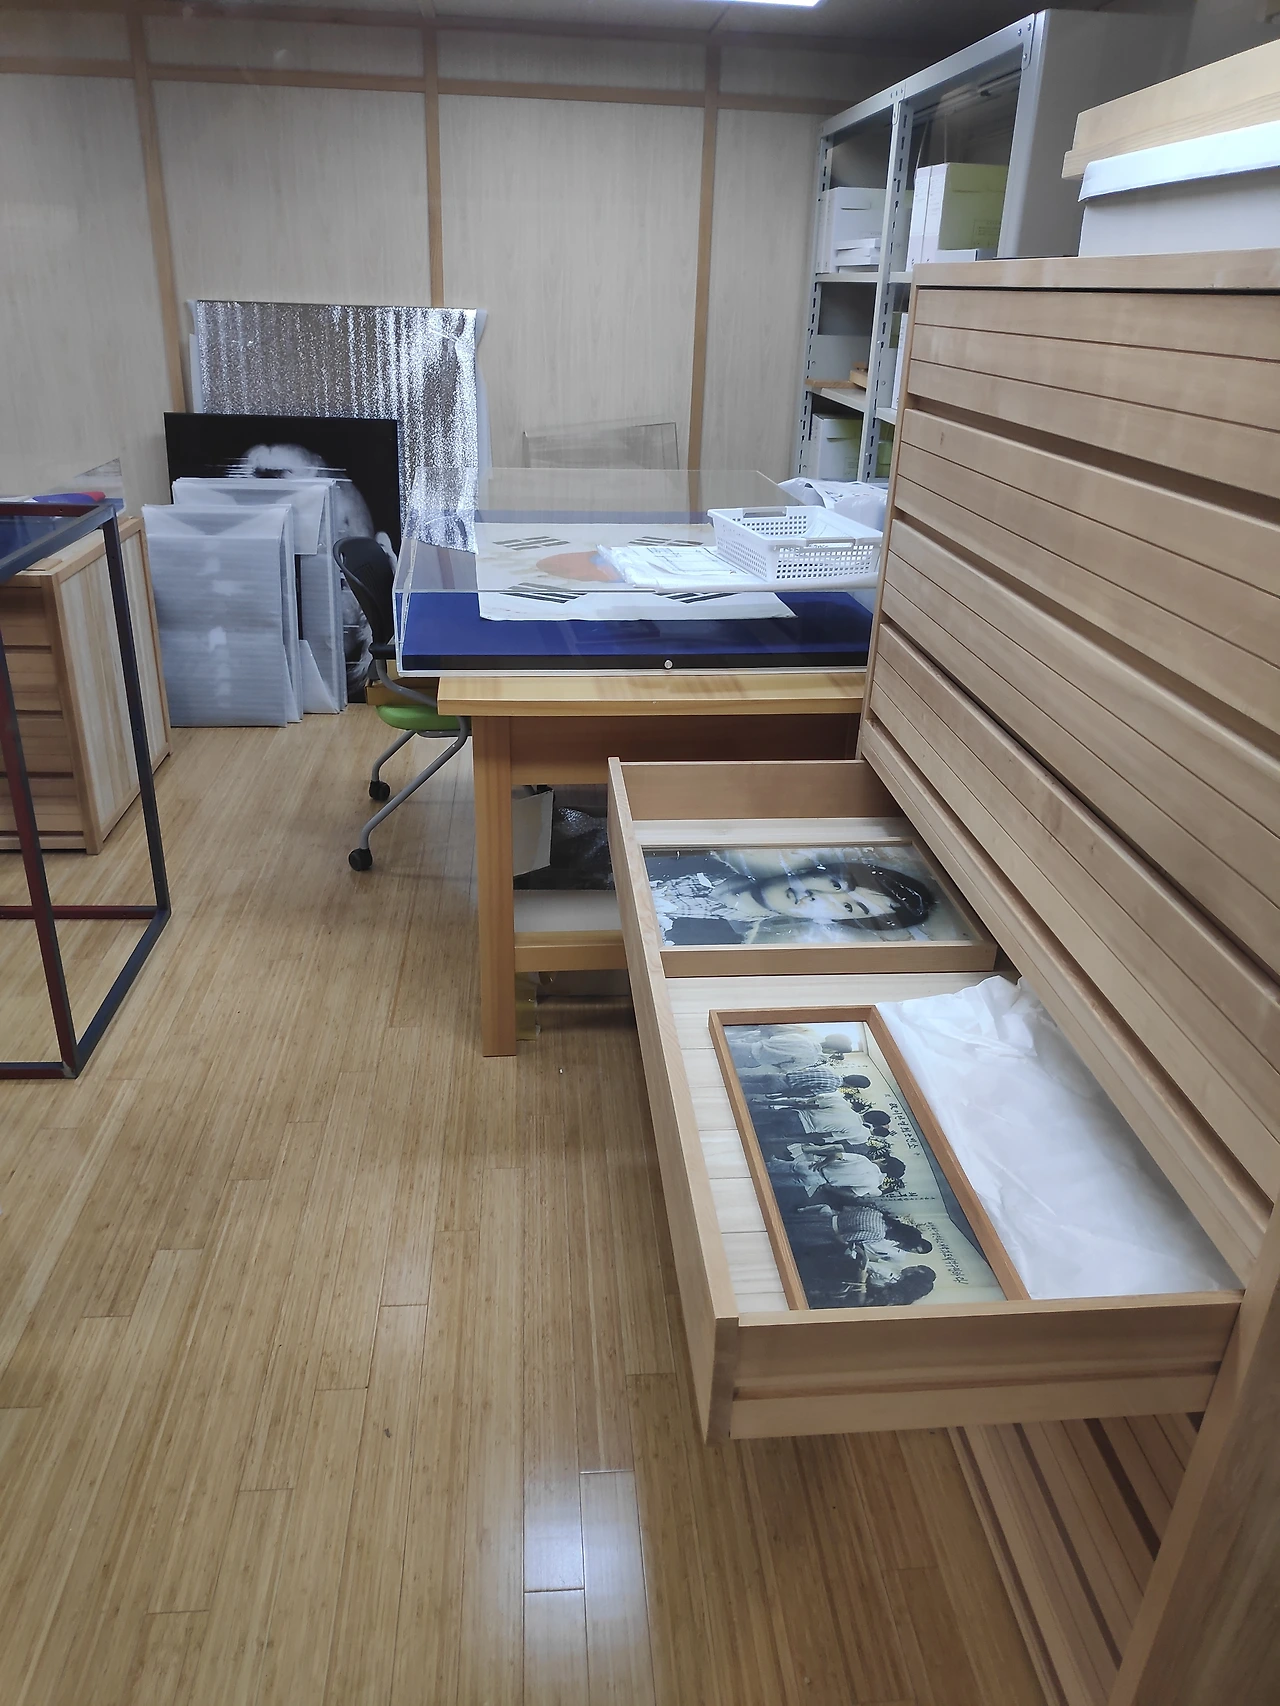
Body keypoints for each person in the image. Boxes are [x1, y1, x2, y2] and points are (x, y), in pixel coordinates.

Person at [648, 848, 938, 946]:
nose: (818, 896)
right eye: (835, 884)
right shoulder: (702, 854)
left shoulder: (725, 944)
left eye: (848, 907)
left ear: (831, 921)